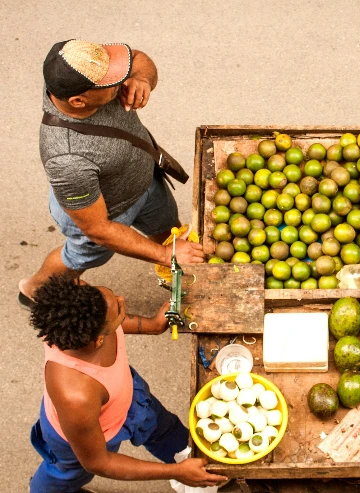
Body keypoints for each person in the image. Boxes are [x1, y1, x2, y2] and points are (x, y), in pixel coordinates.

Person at [19, 39, 204, 308]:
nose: (120, 82)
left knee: (167, 227)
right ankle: (34, 289)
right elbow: (98, 229)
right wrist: (165, 254)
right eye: (110, 84)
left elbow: (138, 58)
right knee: (81, 257)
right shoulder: (67, 160)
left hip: (144, 182)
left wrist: (141, 78)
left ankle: (178, 264)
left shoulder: (81, 66)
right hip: (105, 213)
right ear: (79, 101)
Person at [28, 275, 227, 492]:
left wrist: (152, 325)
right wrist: (177, 472)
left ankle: (190, 460)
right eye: (118, 310)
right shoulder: (76, 397)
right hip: (85, 436)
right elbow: (99, 462)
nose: (122, 299)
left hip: (126, 395)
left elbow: (113, 321)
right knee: (68, 474)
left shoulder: (74, 318)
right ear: (99, 340)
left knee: (164, 429)